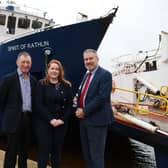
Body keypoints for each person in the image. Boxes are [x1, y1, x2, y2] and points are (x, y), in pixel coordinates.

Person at [75, 49, 113, 168]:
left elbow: (102, 98)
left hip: (97, 120)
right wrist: (76, 102)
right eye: (86, 59)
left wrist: (84, 111)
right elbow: (81, 92)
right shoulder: (87, 75)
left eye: (91, 58)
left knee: (96, 155)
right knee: (87, 154)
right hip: (84, 121)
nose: (88, 61)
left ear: (97, 59)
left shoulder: (105, 74)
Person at [0, 51, 37, 168]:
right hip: (13, 120)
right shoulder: (8, 79)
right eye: (23, 62)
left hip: (27, 120)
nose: (25, 65)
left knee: (24, 152)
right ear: (17, 63)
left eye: (28, 62)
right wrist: (6, 117)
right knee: (11, 151)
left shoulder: (33, 80)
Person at [34, 59, 72, 168]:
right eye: (52, 68)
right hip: (44, 123)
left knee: (57, 151)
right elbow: (38, 105)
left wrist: (62, 120)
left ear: (60, 71)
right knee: (44, 151)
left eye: (57, 69)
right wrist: (51, 119)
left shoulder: (66, 85)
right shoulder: (41, 84)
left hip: (60, 124)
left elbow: (69, 106)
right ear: (48, 70)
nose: (54, 71)